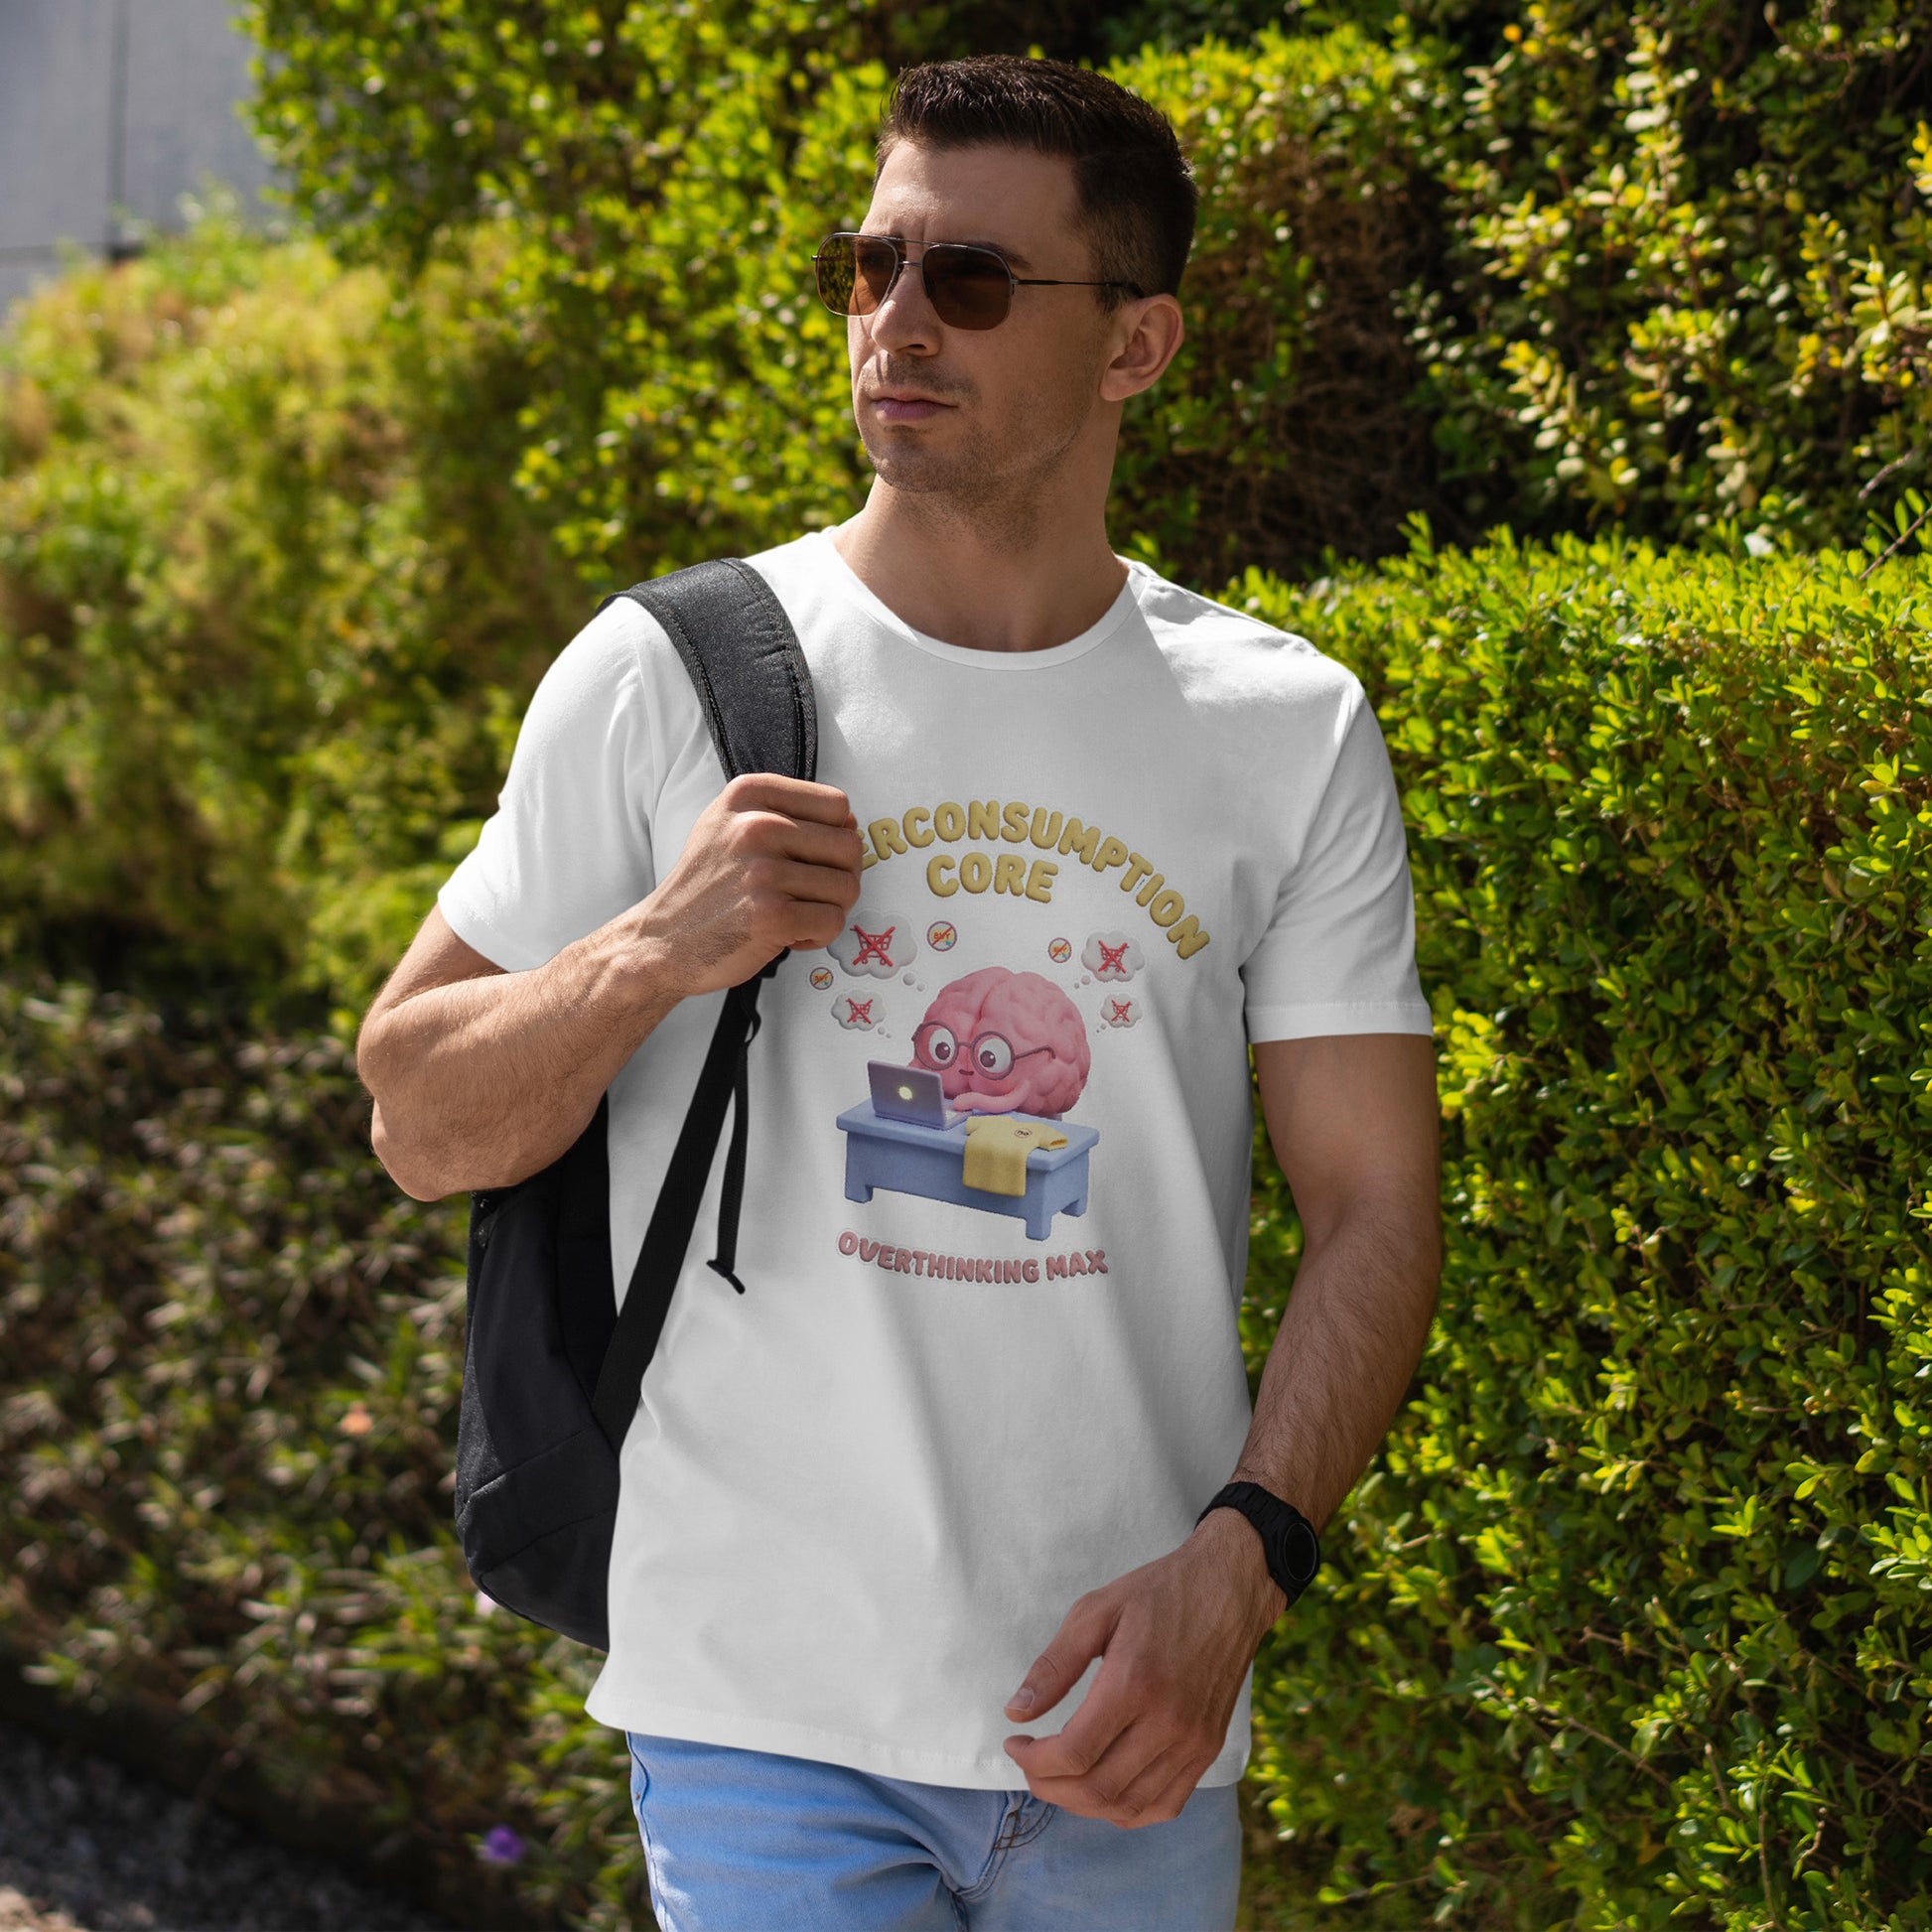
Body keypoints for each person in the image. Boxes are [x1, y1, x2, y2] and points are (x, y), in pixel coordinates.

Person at [354, 52, 1442, 1932]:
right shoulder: (667, 672)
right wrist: (653, 947)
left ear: (1136, 345)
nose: (897, 321)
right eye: (872, 265)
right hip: (756, 1703)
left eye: (972, 279)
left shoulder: (1282, 728)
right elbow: (415, 1116)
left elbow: (1375, 1204)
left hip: (1124, 1706)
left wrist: (1243, 1565)